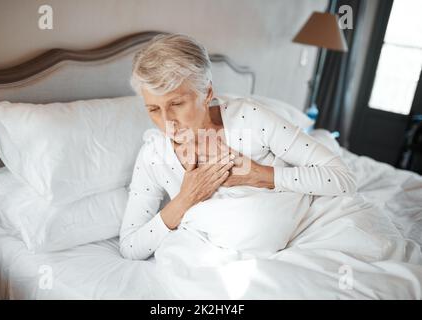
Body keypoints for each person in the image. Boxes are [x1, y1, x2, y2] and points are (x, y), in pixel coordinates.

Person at [119, 33, 357, 260]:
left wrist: (259, 175)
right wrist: (186, 198)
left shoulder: (249, 118)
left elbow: (343, 178)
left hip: (307, 234)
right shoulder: (153, 156)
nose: (167, 121)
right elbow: (130, 246)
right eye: (153, 109)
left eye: (177, 103)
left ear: (207, 93)